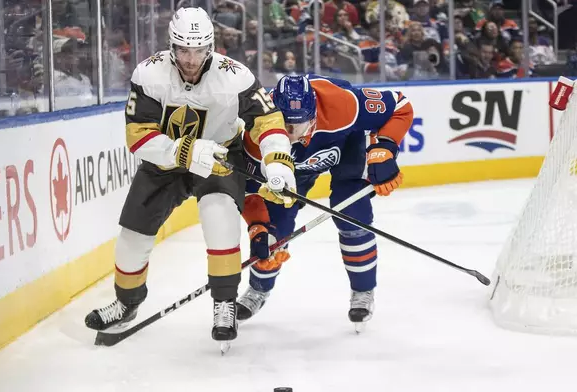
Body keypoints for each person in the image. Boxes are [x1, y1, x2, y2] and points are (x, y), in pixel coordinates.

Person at [84, 7, 295, 349]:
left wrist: (280, 163)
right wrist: (183, 152)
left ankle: (224, 302)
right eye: (184, 50)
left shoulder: (236, 76)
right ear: (172, 46)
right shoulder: (149, 74)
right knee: (133, 233)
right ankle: (126, 302)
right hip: (164, 163)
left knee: (220, 219)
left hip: (220, 159)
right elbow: (138, 136)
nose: (191, 59)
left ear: (211, 46)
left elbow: (268, 122)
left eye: (199, 50)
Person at [238, 74, 413, 329]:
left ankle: (363, 292)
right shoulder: (258, 131)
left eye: (297, 126)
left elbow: (400, 105)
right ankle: (258, 289)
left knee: (353, 215)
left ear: (314, 114)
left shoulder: (341, 104)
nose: (290, 135)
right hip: (283, 168)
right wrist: (257, 225)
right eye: (284, 125)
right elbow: (251, 190)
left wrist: (384, 149)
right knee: (273, 236)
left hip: (345, 147)